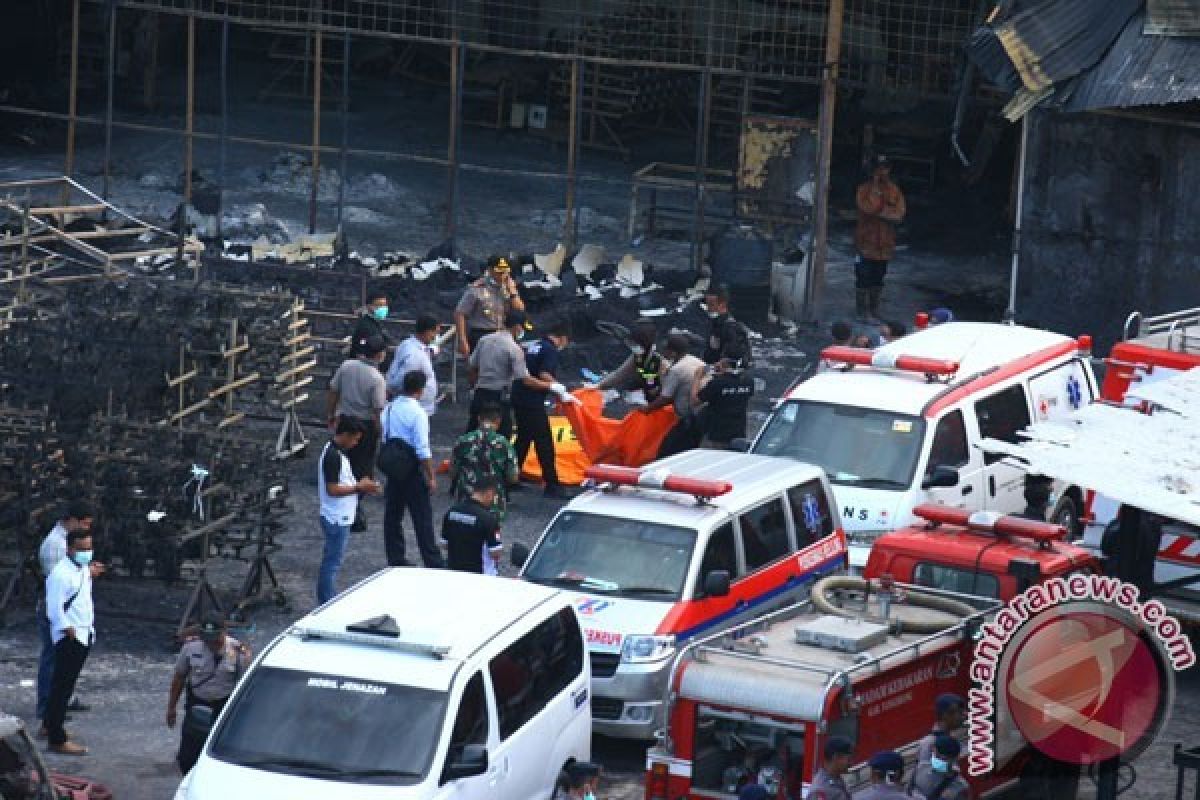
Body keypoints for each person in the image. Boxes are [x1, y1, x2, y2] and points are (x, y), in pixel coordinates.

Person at [167, 613, 251, 773]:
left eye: (215, 638)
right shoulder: (191, 647)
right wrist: (171, 708)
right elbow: (179, 678)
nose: (211, 642)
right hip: (197, 703)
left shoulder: (238, 651)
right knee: (187, 757)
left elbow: (243, 686)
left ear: (224, 631)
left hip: (223, 706)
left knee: (219, 756)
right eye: (207, 637)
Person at [36, 502, 94, 733]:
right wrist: (64, 625)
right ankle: (48, 717)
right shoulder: (56, 547)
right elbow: (56, 593)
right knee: (54, 665)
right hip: (61, 620)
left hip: (72, 622)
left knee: (63, 671)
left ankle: (56, 711)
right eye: (85, 524)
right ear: (73, 520)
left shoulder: (70, 554)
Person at [44, 529, 101, 755]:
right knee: (62, 688)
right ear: (69, 549)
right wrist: (67, 629)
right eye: (82, 549)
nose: (86, 553)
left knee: (64, 685)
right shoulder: (61, 574)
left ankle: (50, 725)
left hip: (83, 632)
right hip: (71, 637)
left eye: (89, 548)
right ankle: (57, 738)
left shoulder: (80, 570)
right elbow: (54, 608)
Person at [381, 371, 443, 568]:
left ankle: (396, 557)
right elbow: (423, 449)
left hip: (394, 466)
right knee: (422, 517)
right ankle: (431, 560)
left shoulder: (389, 408)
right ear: (421, 390)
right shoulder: (418, 413)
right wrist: (431, 476)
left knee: (392, 515)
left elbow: (384, 434)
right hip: (412, 469)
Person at [467, 310, 563, 436]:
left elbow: (472, 367)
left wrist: (474, 388)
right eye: (522, 328)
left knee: (473, 433)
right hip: (499, 397)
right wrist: (552, 386)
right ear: (517, 327)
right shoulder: (513, 348)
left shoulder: (484, 340)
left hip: (480, 393)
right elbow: (526, 380)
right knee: (502, 436)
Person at [327, 334, 388, 532]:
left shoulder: (346, 367)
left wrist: (331, 414)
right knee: (362, 468)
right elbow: (378, 409)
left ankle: (349, 504)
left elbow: (333, 390)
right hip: (365, 425)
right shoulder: (376, 378)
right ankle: (354, 510)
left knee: (344, 464)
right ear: (379, 355)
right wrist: (380, 432)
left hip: (345, 420)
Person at [317, 416, 381, 603]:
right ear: (345, 435)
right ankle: (326, 601)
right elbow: (333, 489)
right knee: (332, 563)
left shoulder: (336, 453)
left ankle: (326, 598)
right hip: (336, 517)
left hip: (338, 515)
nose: (355, 443)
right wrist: (359, 487)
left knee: (332, 560)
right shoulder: (333, 457)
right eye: (354, 439)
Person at [511, 317, 574, 498]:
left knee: (523, 439)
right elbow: (545, 374)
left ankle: (510, 478)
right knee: (544, 442)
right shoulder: (550, 350)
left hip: (519, 396)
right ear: (562, 338)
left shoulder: (535, 346)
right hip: (532, 401)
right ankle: (552, 484)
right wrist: (559, 389)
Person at [854, 154, 906, 321]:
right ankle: (862, 311)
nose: (882, 172)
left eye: (885, 168)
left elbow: (899, 215)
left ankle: (874, 309)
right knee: (863, 276)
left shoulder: (895, 191)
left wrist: (881, 214)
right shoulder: (864, 190)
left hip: (884, 244)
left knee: (879, 277)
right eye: (878, 168)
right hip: (865, 243)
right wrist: (876, 191)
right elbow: (868, 207)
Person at [450, 404, 519, 519]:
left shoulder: (463, 441)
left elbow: (453, 472)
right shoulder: (504, 444)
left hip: (465, 499)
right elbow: (513, 477)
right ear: (498, 420)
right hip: (492, 502)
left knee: (465, 532)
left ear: (479, 418)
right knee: (489, 534)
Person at [647, 334, 707, 458]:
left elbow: (665, 398)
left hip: (689, 418)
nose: (664, 352)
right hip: (704, 414)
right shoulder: (695, 360)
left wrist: (647, 409)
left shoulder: (677, 370)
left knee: (667, 452)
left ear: (673, 353)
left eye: (666, 350)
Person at [455, 255, 526, 356]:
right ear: (490, 270)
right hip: (482, 334)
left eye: (505, 272)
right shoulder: (478, 288)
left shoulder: (509, 289)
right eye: (499, 272)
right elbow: (460, 313)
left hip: (504, 334)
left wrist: (512, 292)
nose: (502, 275)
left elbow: (520, 310)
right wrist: (462, 340)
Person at [693, 345, 755, 448]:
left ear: (725, 361)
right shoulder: (748, 381)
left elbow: (695, 401)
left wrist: (697, 377)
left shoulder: (717, 383)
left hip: (718, 432)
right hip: (738, 431)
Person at [441, 476, 503, 574]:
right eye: (495, 495)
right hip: (480, 576)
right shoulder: (489, 519)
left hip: (454, 572)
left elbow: (444, 544)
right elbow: (495, 553)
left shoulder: (452, 511)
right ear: (489, 493)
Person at [594, 320, 665, 400]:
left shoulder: (654, 360)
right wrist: (598, 387)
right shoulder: (638, 355)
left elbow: (653, 390)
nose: (631, 345)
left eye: (634, 343)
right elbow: (619, 375)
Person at [386, 313, 439, 414]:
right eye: (435, 333)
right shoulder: (414, 355)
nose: (435, 337)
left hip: (417, 406)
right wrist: (391, 391)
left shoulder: (407, 343)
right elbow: (402, 379)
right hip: (414, 409)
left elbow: (432, 346)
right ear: (428, 332)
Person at [703, 284, 751, 366]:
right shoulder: (715, 323)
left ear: (722, 304)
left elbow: (735, 358)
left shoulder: (732, 328)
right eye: (707, 304)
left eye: (711, 305)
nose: (708, 308)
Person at [911, 735, 969, 800]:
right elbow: (908, 792)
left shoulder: (959, 787)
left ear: (954, 759)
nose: (936, 760)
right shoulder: (920, 768)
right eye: (935, 755)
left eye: (943, 758)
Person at [916, 693, 965, 766]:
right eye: (959, 712)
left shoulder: (950, 738)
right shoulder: (929, 743)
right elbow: (924, 773)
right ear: (945, 715)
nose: (963, 716)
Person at [349, 291, 392, 360]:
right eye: (379, 305)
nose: (383, 308)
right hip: (364, 363)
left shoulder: (375, 322)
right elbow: (379, 346)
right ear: (369, 306)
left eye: (385, 305)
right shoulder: (366, 325)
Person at [809, 735, 853, 800]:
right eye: (848, 759)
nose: (850, 764)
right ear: (836, 757)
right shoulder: (820, 789)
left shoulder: (836, 779)